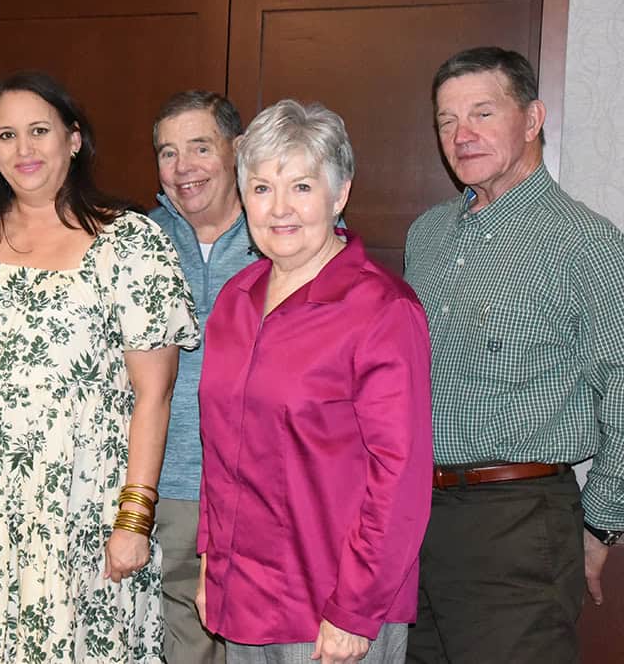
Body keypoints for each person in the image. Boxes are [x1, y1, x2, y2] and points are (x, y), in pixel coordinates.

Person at [0, 71, 199, 663]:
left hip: (79, 505)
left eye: (39, 130)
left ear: (73, 139)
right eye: (6, 135)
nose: (24, 149)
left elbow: (154, 396)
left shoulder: (131, 242)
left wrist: (133, 521)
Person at [404, 47, 624, 663]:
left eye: (481, 113)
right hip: (413, 520)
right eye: (446, 121)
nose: (462, 134)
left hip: (517, 524)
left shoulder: (585, 242)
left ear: (532, 119)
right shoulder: (427, 234)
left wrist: (602, 521)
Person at [198, 99, 433, 664]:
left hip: (333, 611)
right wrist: (209, 563)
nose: (280, 208)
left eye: (301, 187)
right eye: (261, 188)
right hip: (243, 598)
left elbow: (399, 481)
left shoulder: (381, 309)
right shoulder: (234, 302)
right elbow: (219, 450)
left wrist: (354, 611)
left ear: (340, 193)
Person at [147, 89, 251, 663]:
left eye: (199, 147)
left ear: (236, 150)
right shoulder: (138, 243)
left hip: (259, 498)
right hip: (166, 496)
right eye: (167, 152)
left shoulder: (284, 235)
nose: (183, 167)